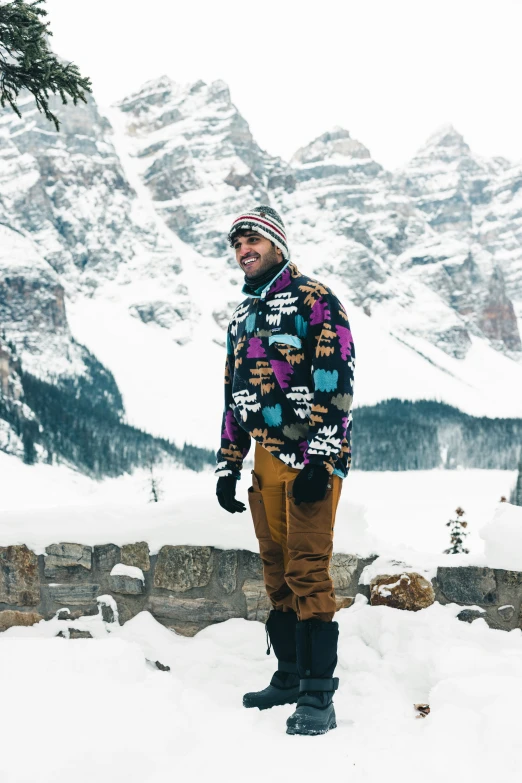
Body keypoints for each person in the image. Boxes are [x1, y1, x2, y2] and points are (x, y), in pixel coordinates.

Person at [215, 205, 355, 736]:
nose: (243, 249)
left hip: (312, 461)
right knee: (276, 573)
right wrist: (228, 464)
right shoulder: (242, 316)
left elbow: (336, 381)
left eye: (252, 239)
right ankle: (290, 676)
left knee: (307, 571)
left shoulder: (314, 300)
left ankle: (320, 697)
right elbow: (234, 397)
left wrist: (321, 457)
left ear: (276, 243)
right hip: (265, 462)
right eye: (237, 243)